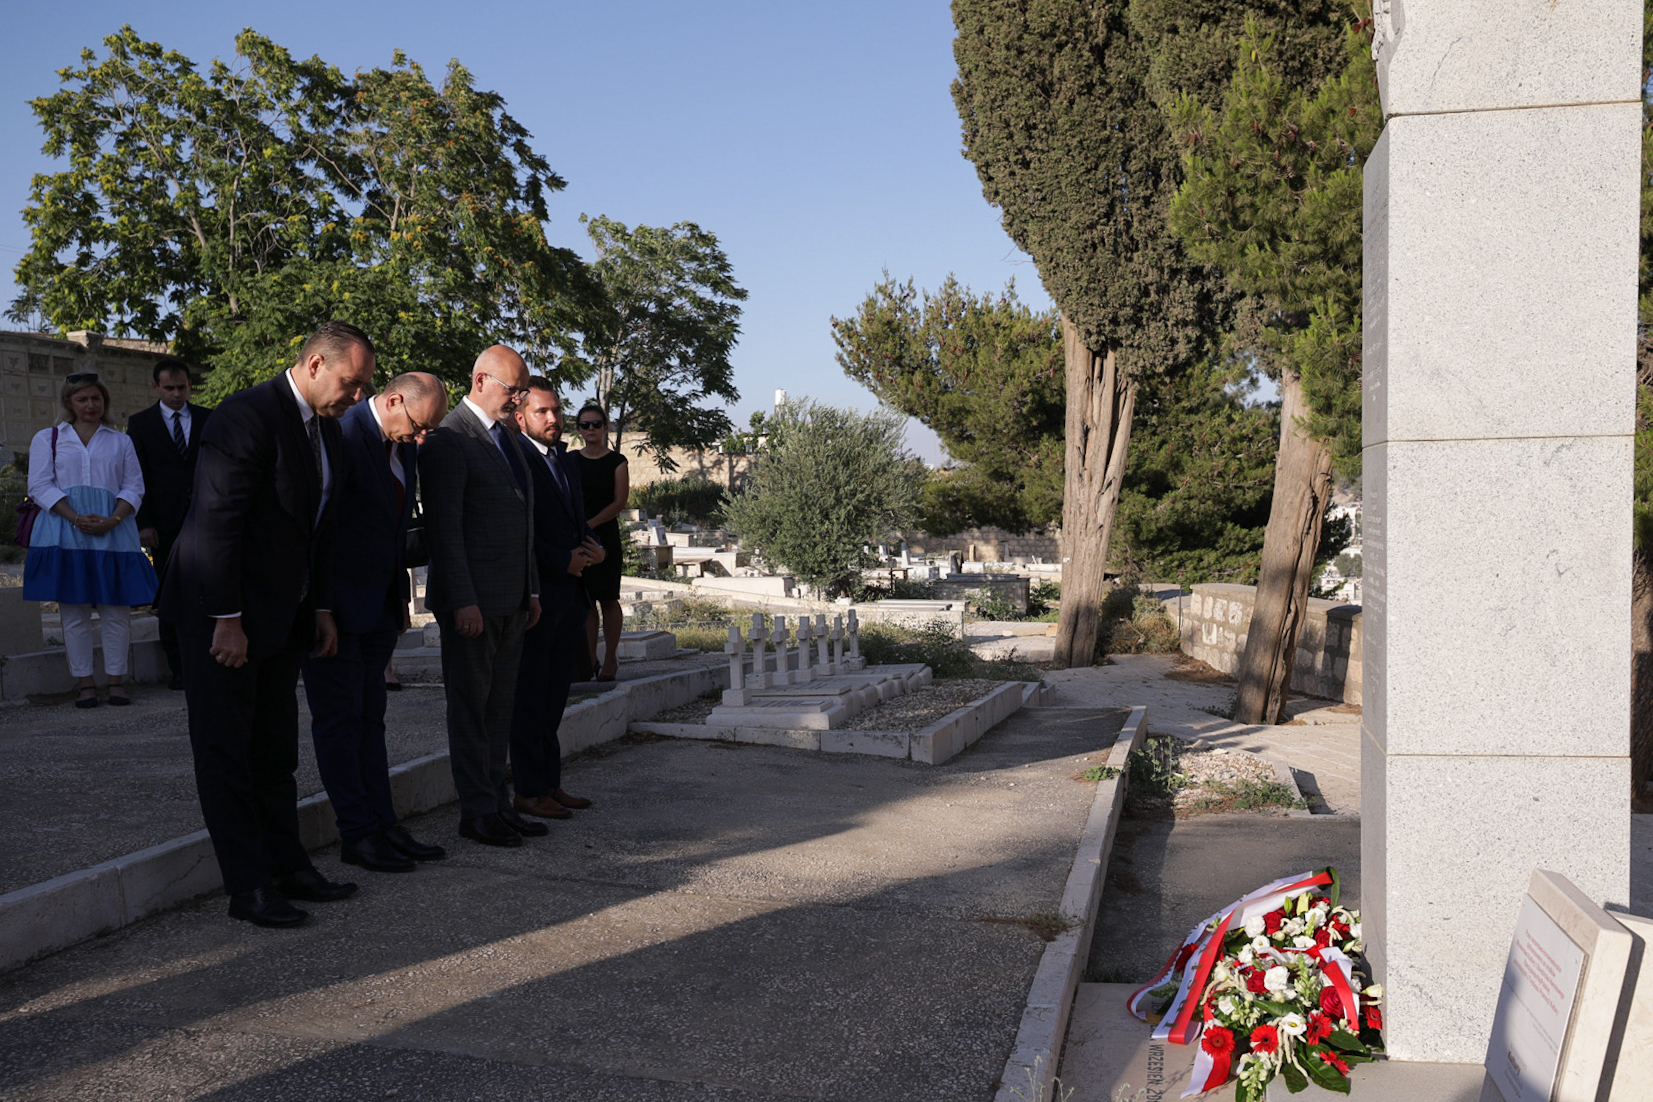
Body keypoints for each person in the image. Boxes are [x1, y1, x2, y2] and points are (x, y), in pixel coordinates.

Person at [160, 320, 375, 928]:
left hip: (282, 616)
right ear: (315, 365)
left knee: (275, 750)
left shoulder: (326, 428)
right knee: (226, 752)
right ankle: (248, 886)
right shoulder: (245, 416)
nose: (358, 395)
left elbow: (319, 530)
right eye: (351, 382)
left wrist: (322, 608)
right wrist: (226, 619)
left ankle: (288, 866)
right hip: (219, 616)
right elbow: (216, 522)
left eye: (364, 385)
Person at [300, 372, 449, 874]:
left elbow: (392, 529)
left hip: (378, 607)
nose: (422, 438)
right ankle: (357, 832)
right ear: (393, 399)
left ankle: (384, 824)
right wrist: (321, 608)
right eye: (419, 425)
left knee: (371, 720)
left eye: (429, 431)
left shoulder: (403, 446)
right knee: (340, 722)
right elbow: (320, 529)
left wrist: (397, 599)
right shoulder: (341, 434)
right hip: (336, 610)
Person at [419, 345, 548, 848]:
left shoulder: (507, 438)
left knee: (499, 709)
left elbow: (524, 520)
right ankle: (476, 811)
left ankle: (498, 803)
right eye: (512, 390)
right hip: (473, 603)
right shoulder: (450, 439)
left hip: (512, 598)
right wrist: (462, 599)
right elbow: (445, 530)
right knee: (471, 710)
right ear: (480, 381)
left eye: (522, 391)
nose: (518, 400)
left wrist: (531, 588)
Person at [24, 373, 158, 708]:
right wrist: (75, 517)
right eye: (82, 399)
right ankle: (85, 684)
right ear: (68, 402)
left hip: (114, 531)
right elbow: (39, 485)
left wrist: (113, 519)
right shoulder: (48, 438)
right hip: (64, 531)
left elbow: (134, 487)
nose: (90, 405)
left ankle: (116, 682)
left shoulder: (120, 441)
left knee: (116, 610)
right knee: (74, 611)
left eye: (96, 398)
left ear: (105, 401)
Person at [510, 380, 603, 820]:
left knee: (554, 699)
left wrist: (595, 549)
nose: (553, 419)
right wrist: (561, 560)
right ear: (520, 416)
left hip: (571, 597)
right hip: (538, 597)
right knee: (530, 698)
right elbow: (521, 533)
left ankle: (550, 783)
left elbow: (575, 521)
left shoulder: (563, 460)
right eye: (542, 412)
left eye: (557, 410)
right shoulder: (516, 459)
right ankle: (528, 790)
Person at [128, 358, 211, 690]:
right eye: (169, 388)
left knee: (208, 591)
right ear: (156, 387)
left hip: (206, 519)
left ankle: (208, 664)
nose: (177, 394)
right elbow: (138, 475)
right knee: (169, 596)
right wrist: (144, 523)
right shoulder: (141, 424)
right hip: (163, 525)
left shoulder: (208, 418)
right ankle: (179, 668)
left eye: (182, 387)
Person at [571, 403, 629, 681]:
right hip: (577, 536)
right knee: (587, 599)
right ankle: (590, 657)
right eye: (585, 425)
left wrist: (591, 524)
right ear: (578, 429)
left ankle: (610, 658)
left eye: (596, 424)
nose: (591, 429)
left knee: (608, 597)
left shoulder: (617, 461)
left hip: (605, 535)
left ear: (605, 427)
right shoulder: (571, 460)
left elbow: (619, 501)